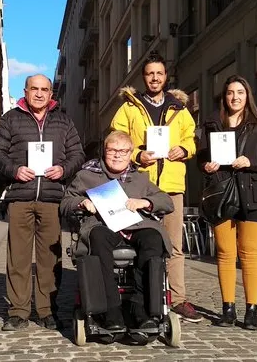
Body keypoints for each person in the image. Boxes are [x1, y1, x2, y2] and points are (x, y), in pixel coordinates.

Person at [110, 51, 201, 322]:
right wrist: (138, 154)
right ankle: (137, 295)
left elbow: (191, 139)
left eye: (159, 73)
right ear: (143, 77)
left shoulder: (180, 109)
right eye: (150, 73)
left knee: (173, 245)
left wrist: (183, 149)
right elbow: (117, 138)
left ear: (166, 76)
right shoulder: (129, 107)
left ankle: (178, 299)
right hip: (138, 185)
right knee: (138, 240)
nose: (154, 78)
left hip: (171, 186)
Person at [0, 74, 85, 331]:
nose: (40, 94)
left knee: (49, 260)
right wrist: (14, 170)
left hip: (53, 199)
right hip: (20, 196)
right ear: (26, 91)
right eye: (35, 89)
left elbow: (78, 154)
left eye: (45, 89)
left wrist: (63, 170)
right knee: (18, 258)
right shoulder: (11, 118)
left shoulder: (64, 122)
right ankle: (18, 311)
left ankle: (47, 311)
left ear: (51, 94)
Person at [60, 131, 174, 329]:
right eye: (112, 150)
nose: (117, 155)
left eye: (123, 151)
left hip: (137, 226)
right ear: (104, 151)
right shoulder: (87, 175)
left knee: (153, 238)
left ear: (130, 153)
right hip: (102, 225)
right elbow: (65, 203)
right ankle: (111, 310)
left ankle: (141, 308)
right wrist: (82, 202)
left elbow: (166, 201)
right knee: (98, 238)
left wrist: (145, 202)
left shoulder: (140, 178)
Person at [198, 74, 257, 330]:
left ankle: (252, 310)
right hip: (222, 195)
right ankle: (228, 308)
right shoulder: (212, 125)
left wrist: (250, 162)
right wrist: (206, 165)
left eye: (240, 93)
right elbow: (201, 157)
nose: (235, 97)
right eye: (231, 92)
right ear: (224, 97)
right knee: (224, 252)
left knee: (249, 253)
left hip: (253, 196)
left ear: (247, 97)